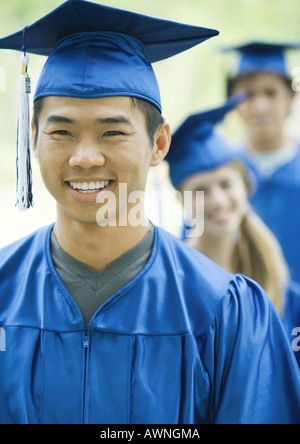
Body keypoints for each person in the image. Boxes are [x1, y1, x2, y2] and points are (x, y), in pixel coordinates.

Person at [0, 1, 299, 425]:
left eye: (113, 132)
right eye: (61, 131)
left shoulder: (224, 312)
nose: (85, 157)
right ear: (32, 137)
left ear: (159, 144)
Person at [166, 94, 300, 369]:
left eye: (226, 184)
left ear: (246, 186)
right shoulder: (173, 279)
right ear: (181, 202)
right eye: (200, 191)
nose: (217, 200)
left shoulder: (270, 270)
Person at [225, 42, 300, 285]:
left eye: (270, 92)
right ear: (232, 99)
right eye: (248, 94)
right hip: (240, 317)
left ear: (290, 96)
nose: (260, 106)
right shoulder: (220, 174)